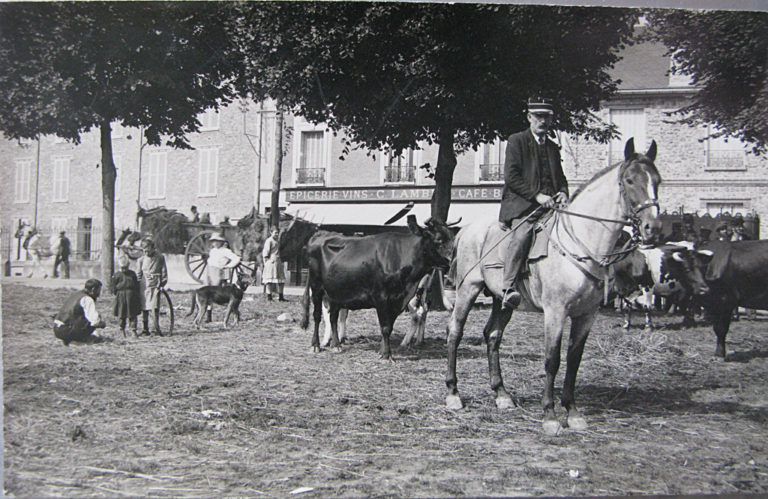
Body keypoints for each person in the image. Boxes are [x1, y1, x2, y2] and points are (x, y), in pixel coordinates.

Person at [499, 97, 569, 309]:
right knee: (522, 235)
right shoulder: (517, 140)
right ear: (529, 117)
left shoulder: (552, 148)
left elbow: (561, 178)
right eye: (539, 117)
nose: (543, 121)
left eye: (547, 117)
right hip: (523, 206)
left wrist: (564, 193)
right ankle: (508, 287)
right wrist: (537, 196)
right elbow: (512, 177)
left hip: (551, 207)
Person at [53, 278, 107, 345]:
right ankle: (79, 340)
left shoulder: (76, 294)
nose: (99, 293)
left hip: (57, 330)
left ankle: (69, 339)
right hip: (67, 331)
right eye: (99, 290)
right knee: (94, 320)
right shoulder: (87, 299)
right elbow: (95, 321)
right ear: (93, 289)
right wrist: (102, 324)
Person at [137, 238, 168, 335]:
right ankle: (145, 329)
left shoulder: (160, 257)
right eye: (144, 250)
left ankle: (155, 328)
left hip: (155, 285)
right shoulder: (141, 260)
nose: (146, 252)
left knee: (154, 307)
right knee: (144, 307)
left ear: (153, 248)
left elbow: (164, 271)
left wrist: (162, 283)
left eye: (148, 249)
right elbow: (138, 274)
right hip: (144, 286)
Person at [111, 255, 141, 337]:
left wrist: (136, 295)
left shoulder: (132, 274)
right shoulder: (117, 275)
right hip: (121, 296)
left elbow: (136, 285)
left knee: (132, 313)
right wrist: (116, 293)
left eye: (126, 267)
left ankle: (133, 330)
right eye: (122, 268)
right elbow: (113, 287)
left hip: (131, 296)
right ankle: (121, 329)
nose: (124, 269)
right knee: (121, 313)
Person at [262, 227, 287, 301]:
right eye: (275, 233)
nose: (277, 234)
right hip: (271, 261)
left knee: (281, 280)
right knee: (269, 279)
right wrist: (267, 262)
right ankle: (269, 296)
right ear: (271, 232)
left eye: (277, 233)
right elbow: (265, 253)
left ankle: (281, 296)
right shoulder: (269, 241)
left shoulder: (278, 241)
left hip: (278, 261)